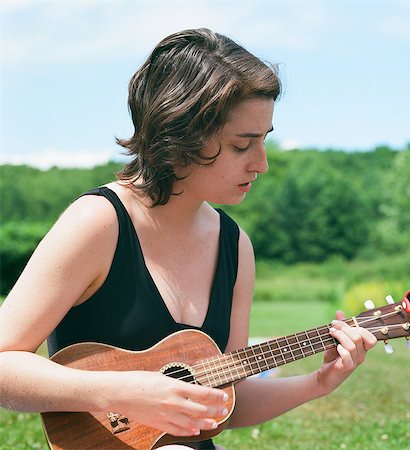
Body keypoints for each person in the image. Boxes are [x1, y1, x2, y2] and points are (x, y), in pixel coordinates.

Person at [0, 28, 377, 450]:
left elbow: (230, 398)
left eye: (264, 141)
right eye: (242, 145)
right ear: (182, 135)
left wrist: (319, 382)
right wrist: (116, 392)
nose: (262, 164)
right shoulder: (98, 223)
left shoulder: (235, 247)